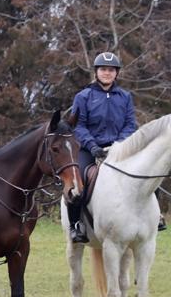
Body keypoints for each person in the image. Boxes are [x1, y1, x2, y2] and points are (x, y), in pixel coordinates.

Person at [67, 51, 158, 243]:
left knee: (150, 173)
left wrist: (119, 145)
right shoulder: (83, 97)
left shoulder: (124, 97)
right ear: (96, 72)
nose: (107, 73)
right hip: (90, 149)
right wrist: (93, 147)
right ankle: (76, 225)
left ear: (116, 73)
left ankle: (156, 217)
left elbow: (130, 124)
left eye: (111, 70)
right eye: (103, 70)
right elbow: (79, 126)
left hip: (119, 149)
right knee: (78, 184)